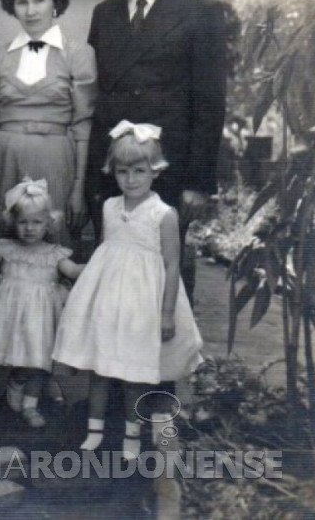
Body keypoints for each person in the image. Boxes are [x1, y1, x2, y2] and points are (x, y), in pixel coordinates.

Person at [86, 0, 228, 293]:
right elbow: (103, 95)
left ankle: (169, 349)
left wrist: (199, 181)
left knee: (167, 271)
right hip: (114, 166)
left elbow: (210, 102)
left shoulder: (202, 12)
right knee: (115, 269)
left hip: (169, 166)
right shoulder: (105, 14)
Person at [53, 122, 203, 461]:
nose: (131, 179)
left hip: (143, 304)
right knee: (101, 368)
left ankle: (132, 434)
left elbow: (171, 265)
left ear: (155, 172)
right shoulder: (109, 207)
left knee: (134, 373)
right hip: (110, 299)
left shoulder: (164, 214)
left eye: (139, 171)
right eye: (123, 172)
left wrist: (166, 313)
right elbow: (107, 252)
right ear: (113, 173)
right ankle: (95, 430)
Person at [0, 0, 97, 245]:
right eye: (22, 2)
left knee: (52, 245)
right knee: (0, 245)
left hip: (56, 161)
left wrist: (79, 188)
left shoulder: (78, 54)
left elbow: (83, 125)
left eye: (39, 0)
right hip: (2, 162)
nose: (31, 11)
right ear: (12, 7)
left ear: (55, 2)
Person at [0, 178, 83, 428]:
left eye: (36, 222)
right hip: (11, 317)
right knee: (20, 359)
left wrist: (100, 264)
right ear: (13, 223)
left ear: (48, 223)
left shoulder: (54, 253)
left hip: (42, 318)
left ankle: (30, 405)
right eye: (23, 222)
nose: (30, 228)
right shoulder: (6, 249)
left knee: (41, 361)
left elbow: (74, 270)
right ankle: (16, 384)